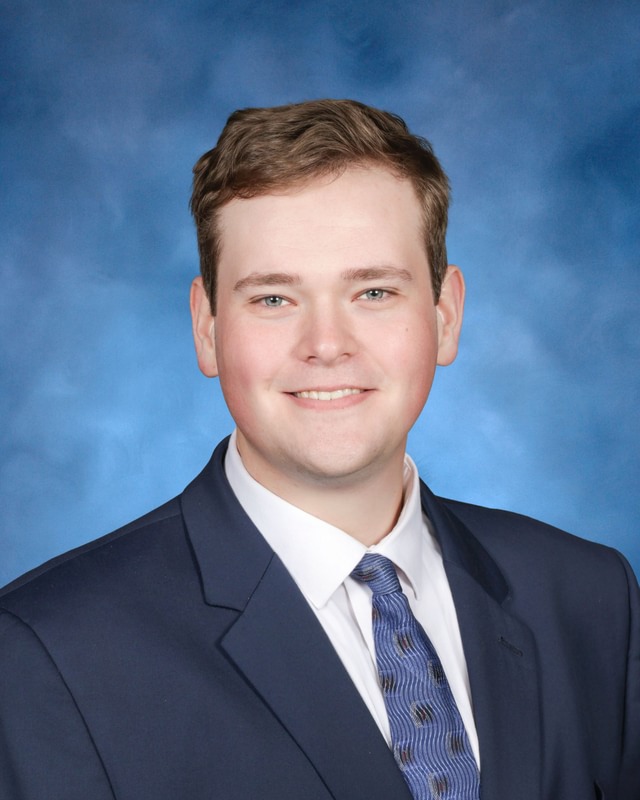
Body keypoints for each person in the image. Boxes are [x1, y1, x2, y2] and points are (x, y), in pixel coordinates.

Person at [1, 99, 638, 800]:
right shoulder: (49, 653)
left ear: (445, 316)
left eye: (372, 291)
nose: (327, 345)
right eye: (274, 299)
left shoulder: (592, 599)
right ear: (207, 328)